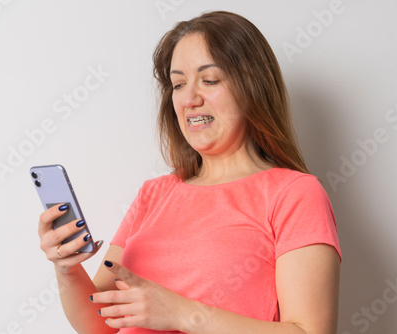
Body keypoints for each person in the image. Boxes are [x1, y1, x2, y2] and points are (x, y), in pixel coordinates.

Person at [38, 10, 341, 334]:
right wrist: (67, 269)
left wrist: (183, 314)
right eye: (178, 84)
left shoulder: (294, 193)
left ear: (253, 85)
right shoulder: (154, 194)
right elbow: (99, 325)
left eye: (209, 80)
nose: (189, 99)